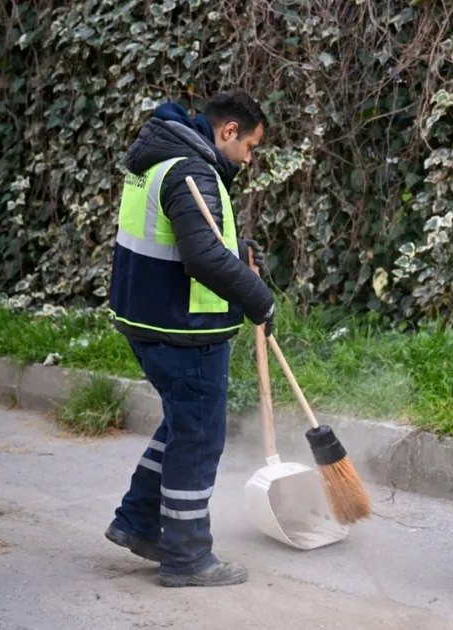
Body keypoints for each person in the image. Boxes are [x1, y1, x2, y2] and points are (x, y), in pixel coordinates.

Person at [103, 90, 276, 587]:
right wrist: (258, 298)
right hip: (183, 330)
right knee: (198, 438)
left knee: (183, 424)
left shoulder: (162, 160)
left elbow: (185, 235)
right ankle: (187, 557)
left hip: (147, 319)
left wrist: (235, 246)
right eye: (250, 146)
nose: (249, 158)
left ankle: (137, 521)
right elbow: (200, 257)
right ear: (228, 132)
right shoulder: (191, 170)